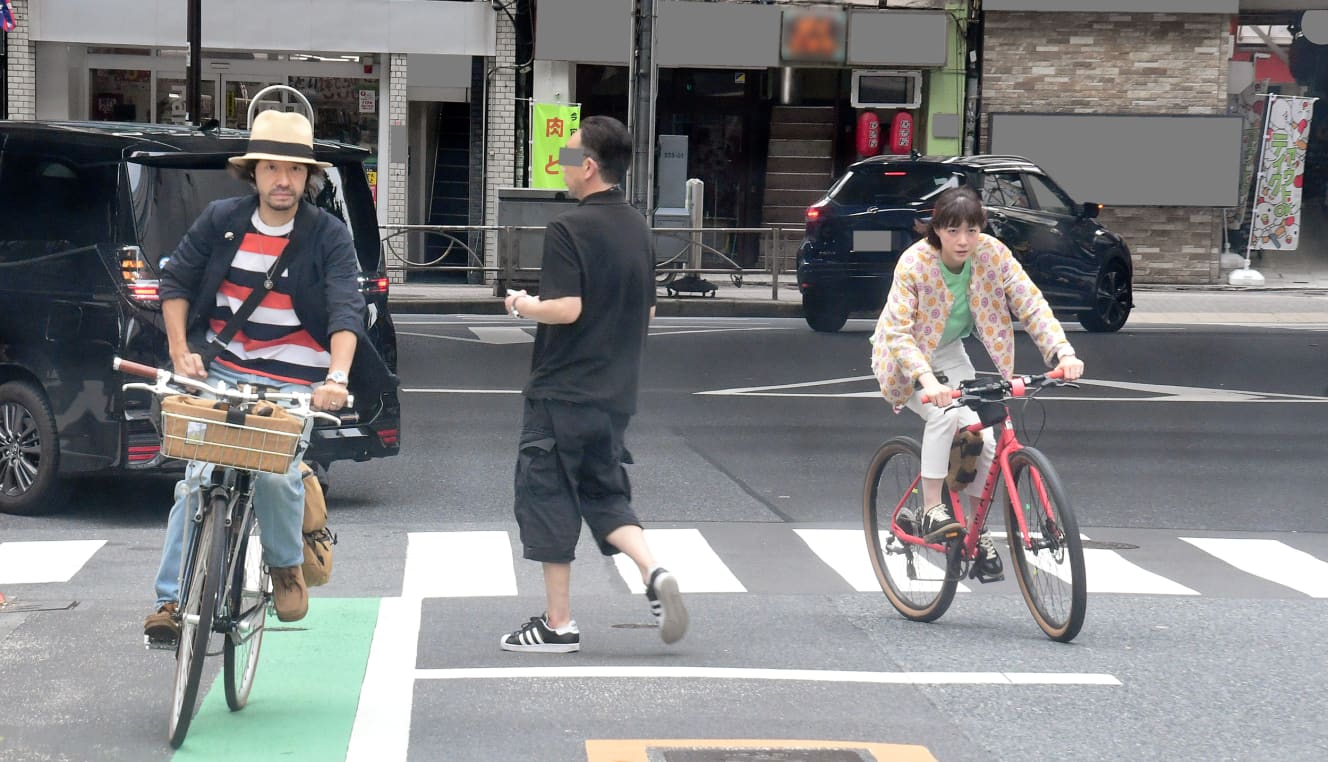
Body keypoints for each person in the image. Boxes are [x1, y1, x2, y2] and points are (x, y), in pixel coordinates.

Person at [144, 110, 393, 641]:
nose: (284, 180)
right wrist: (180, 350)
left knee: (277, 473)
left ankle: (284, 567)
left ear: (309, 178)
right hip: (223, 372)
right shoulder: (221, 219)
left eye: (296, 171)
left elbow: (346, 310)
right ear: (253, 172)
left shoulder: (328, 235)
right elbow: (175, 283)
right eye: (273, 168)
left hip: (296, 384)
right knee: (193, 483)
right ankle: (169, 602)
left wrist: (338, 378)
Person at [499, 116, 687, 653]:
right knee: (604, 493)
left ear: (588, 166)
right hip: (615, 394)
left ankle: (558, 624)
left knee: (548, 499)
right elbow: (646, 310)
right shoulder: (638, 227)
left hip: (562, 390)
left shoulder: (568, 227)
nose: (561, 166)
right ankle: (653, 571)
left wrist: (520, 303)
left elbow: (565, 308)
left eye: (566, 156)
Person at [869, 186, 1084, 583]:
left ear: (981, 227)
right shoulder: (915, 262)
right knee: (943, 414)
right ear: (937, 231)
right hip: (904, 357)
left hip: (948, 350)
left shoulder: (993, 254)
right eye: (952, 231)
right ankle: (932, 506)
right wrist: (927, 380)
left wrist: (1062, 353)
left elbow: (1030, 302)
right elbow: (899, 333)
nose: (963, 240)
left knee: (983, 437)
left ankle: (976, 530)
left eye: (971, 229)